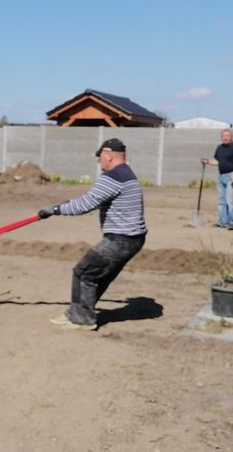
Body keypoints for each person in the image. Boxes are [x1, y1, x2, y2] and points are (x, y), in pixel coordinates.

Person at [37, 138, 147, 330]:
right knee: (99, 276)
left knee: (84, 272)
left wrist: (54, 209)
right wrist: (65, 205)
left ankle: (83, 318)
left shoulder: (113, 176)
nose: (98, 162)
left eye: (100, 157)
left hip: (120, 240)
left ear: (109, 155)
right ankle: (77, 312)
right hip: (133, 239)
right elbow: (92, 199)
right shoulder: (127, 174)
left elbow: (85, 205)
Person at [201, 129, 233, 230]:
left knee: (230, 201)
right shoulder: (219, 148)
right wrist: (207, 161)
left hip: (232, 175)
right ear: (221, 137)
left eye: (227, 136)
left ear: (232, 137)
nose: (225, 137)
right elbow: (218, 162)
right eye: (223, 136)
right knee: (222, 201)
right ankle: (223, 222)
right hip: (221, 176)